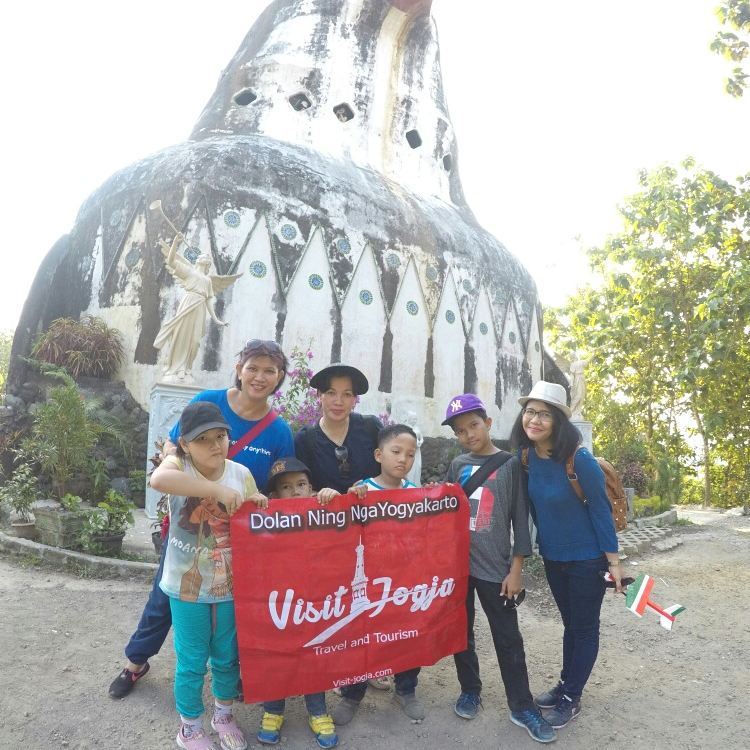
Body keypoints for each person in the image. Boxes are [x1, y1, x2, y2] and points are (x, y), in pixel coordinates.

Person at [109, 339, 293, 699]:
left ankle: (232, 673)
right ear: (239, 369)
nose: (259, 377)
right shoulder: (209, 402)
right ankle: (136, 662)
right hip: (188, 530)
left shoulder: (279, 431)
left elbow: (281, 482)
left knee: (233, 609)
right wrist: (207, 487)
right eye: (252, 368)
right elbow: (172, 449)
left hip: (238, 540)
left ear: (280, 376)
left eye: (269, 370)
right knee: (165, 597)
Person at [149, 400, 268, 750]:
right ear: (185, 444)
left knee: (227, 656)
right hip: (186, 588)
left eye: (221, 436)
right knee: (191, 661)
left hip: (230, 586)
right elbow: (159, 479)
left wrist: (258, 501)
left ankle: (224, 715)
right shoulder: (178, 465)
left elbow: (253, 514)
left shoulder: (240, 473)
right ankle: (189, 727)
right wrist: (216, 491)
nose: (215, 445)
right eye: (203, 439)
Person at [443, 393, 556, 744]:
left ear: (488, 423)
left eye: (474, 425)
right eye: (461, 431)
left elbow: (520, 519)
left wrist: (516, 569)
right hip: (459, 568)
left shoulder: (509, 465)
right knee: (461, 633)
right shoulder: (457, 464)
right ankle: (470, 690)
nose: (469, 434)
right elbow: (445, 512)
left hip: (496, 569)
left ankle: (522, 705)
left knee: (508, 638)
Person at [511, 380, 623, 730]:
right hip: (553, 557)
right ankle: (565, 684)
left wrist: (614, 563)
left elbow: (601, 512)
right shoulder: (526, 458)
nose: (535, 420)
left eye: (545, 414)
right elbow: (528, 510)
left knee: (584, 628)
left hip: (588, 559)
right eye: (530, 412)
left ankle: (572, 696)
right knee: (570, 625)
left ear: (558, 422)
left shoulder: (580, 460)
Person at [331, 424, 426, 725]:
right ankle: (352, 694)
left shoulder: (417, 494)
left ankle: (406, 689)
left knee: (407, 635)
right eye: (396, 451)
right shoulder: (362, 491)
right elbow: (345, 531)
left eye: (410, 454)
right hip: (370, 581)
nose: (403, 459)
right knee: (361, 636)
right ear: (378, 455)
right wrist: (350, 498)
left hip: (405, 582)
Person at [256, 457, 339, 749]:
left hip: (315, 604)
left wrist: (336, 498)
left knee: (315, 654)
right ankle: (272, 710)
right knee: (276, 656)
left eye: (301, 484)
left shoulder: (324, 512)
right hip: (278, 604)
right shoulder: (264, 521)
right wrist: (255, 505)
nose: (295, 491)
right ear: (274, 496)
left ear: (312, 489)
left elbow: (350, 519)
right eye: (286, 487)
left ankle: (318, 711)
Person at [153, 233, 241, 382]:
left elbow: (209, 301)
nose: (206, 256)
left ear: (208, 264)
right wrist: (175, 243)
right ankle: (176, 368)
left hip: (200, 308)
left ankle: (187, 368)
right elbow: (172, 261)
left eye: (207, 257)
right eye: (203, 256)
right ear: (199, 260)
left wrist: (216, 319)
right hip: (188, 303)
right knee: (181, 336)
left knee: (195, 341)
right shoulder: (189, 271)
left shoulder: (208, 280)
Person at [294, 363, 381, 494]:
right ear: (319, 395)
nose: (338, 401)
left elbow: (392, 474)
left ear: (354, 399)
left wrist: (368, 488)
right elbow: (300, 490)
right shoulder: (305, 439)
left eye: (347, 394)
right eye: (331, 393)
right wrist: (321, 495)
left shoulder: (371, 428)